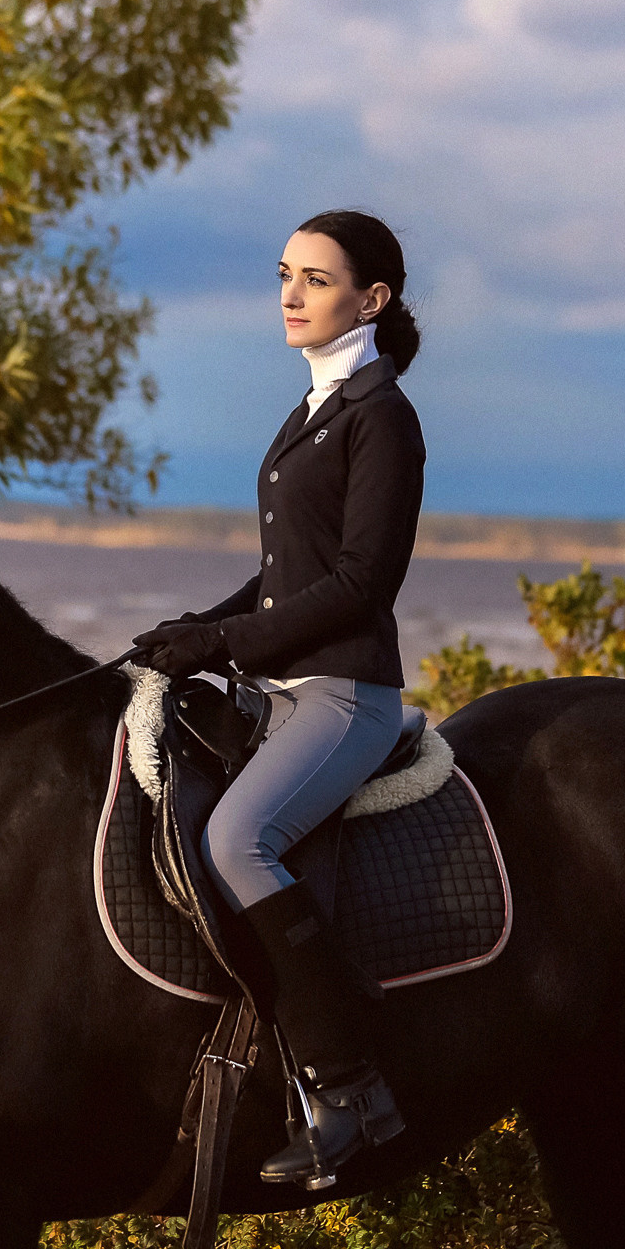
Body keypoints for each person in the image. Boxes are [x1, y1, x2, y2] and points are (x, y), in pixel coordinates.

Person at [133, 208, 426, 1187]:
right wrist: (193, 633)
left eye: (316, 278)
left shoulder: (382, 416)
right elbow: (279, 578)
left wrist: (222, 640)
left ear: (371, 299)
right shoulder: (310, 411)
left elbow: (356, 584)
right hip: (281, 689)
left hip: (344, 696)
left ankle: (348, 1089)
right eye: (284, 274)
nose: (291, 294)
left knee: (236, 841)